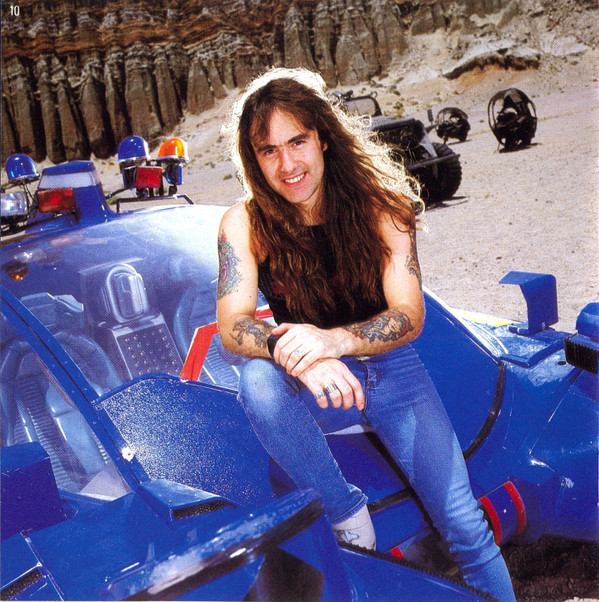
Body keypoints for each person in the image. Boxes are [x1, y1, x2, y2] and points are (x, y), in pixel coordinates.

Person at [216, 67, 516, 601]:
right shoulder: (245, 222)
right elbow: (232, 327)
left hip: (388, 365)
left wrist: (335, 341)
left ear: (323, 138)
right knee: (257, 381)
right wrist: (296, 350)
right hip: (311, 377)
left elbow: (408, 314)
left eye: (297, 141)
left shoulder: (382, 204)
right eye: (268, 151)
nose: (287, 165)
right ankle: (343, 509)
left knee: (464, 525)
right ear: (253, 159)